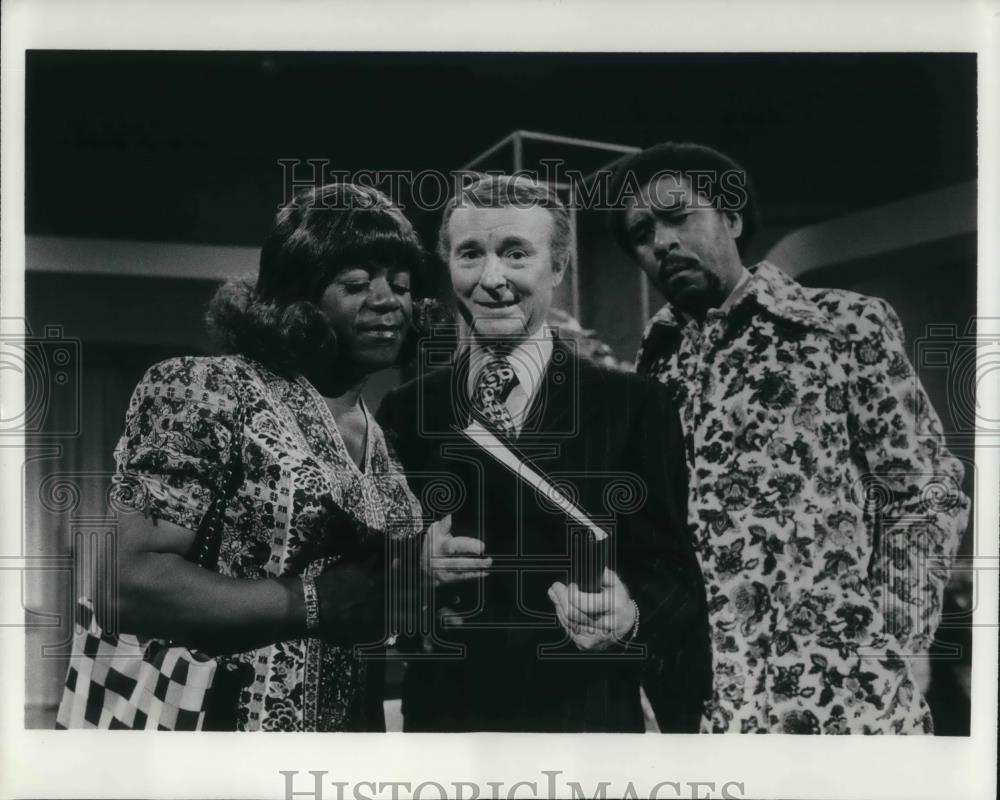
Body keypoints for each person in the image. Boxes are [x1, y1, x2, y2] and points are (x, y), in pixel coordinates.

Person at [607, 141, 971, 734]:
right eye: (643, 232)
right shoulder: (649, 375)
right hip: (706, 713)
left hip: (844, 704)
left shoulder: (841, 325)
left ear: (731, 217)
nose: (662, 241)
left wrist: (884, 643)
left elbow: (925, 491)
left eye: (679, 216)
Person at [376, 174, 711, 732]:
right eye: (470, 254)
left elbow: (674, 576)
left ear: (557, 268)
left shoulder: (633, 406)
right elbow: (372, 585)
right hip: (449, 723)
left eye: (515, 254)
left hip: (587, 720)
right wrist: (412, 570)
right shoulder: (405, 413)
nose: (491, 279)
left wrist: (629, 616)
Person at [105, 183, 427, 731]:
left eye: (400, 284)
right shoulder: (206, 388)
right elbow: (125, 580)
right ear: (296, 297)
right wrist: (310, 603)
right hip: (218, 736)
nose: (386, 300)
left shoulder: (384, 433)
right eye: (354, 283)